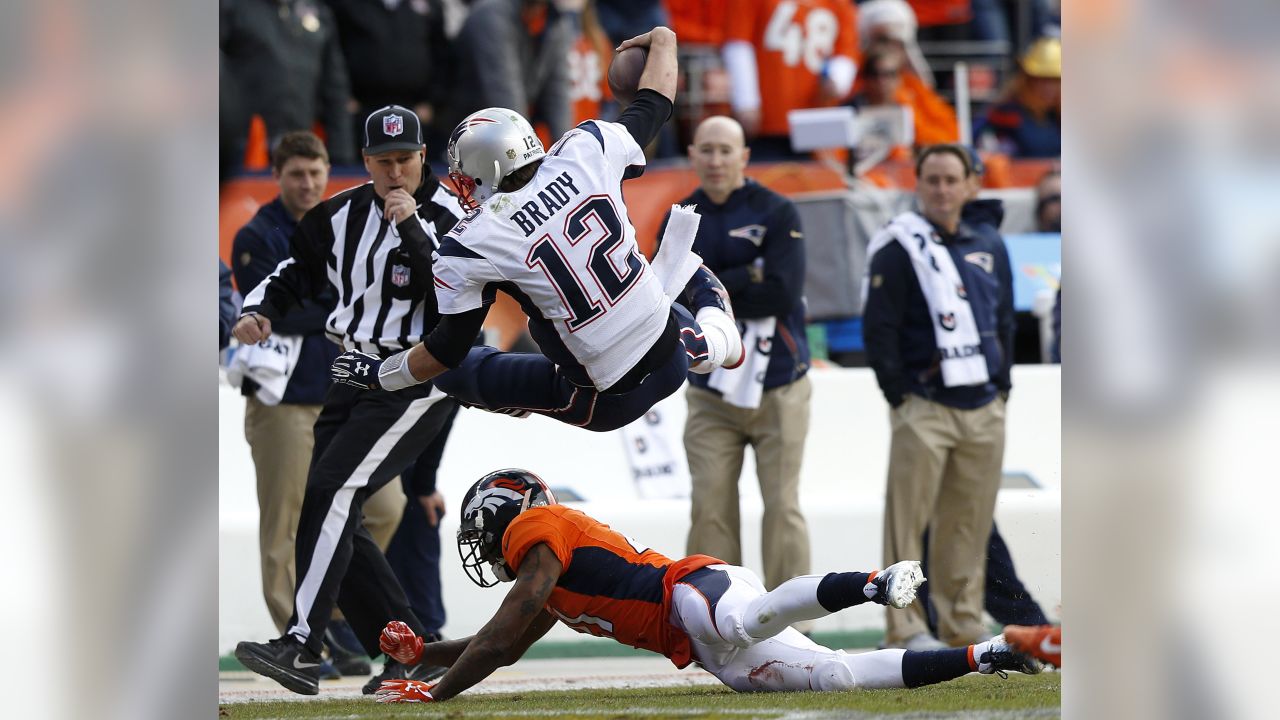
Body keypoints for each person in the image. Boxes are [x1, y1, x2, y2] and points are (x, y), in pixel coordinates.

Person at [330, 27, 745, 433]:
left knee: (459, 372)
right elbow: (654, 102)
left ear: (481, 171)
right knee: (646, 297)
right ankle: (719, 337)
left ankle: (519, 398)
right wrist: (663, 40)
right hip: (669, 354)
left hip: (604, 400)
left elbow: (445, 351)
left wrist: (380, 374)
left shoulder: (473, 239)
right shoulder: (585, 149)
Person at [365, 468, 1040, 703]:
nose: (484, 544)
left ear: (502, 514)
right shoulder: (548, 578)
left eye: (484, 528)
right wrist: (422, 654)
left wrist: (432, 692)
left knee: (737, 624)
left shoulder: (538, 529)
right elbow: (501, 645)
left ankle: (873, 582)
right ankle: (988, 654)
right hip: (695, 643)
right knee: (836, 680)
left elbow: (505, 629)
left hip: (695, 592)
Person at [232, 105, 467, 696]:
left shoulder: (453, 216)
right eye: (383, 162)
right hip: (351, 371)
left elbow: (455, 293)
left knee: (333, 490)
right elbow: (294, 268)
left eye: (405, 160)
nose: (394, 173)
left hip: (414, 373)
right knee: (332, 504)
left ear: (423, 158)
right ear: (365, 163)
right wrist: (262, 310)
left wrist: (411, 225)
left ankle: (304, 642)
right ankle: (410, 649)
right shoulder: (338, 214)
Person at [862, 144, 1015, 651]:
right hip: (924, 403)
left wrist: (1002, 388)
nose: (943, 190)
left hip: (983, 404)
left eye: (953, 179)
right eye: (933, 180)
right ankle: (904, 626)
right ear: (918, 184)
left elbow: (1004, 320)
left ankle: (962, 620)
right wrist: (900, 396)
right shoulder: (897, 247)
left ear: (971, 184)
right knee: (907, 524)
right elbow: (878, 328)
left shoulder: (989, 242)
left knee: (968, 522)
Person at [660, 116, 812, 597]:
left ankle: (794, 621)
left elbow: (784, 295)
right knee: (709, 506)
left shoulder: (778, 211)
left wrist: (716, 285)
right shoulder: (680, 219)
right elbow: (669, 297)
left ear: (745, 156)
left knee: (783, 506)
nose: (717, 160)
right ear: (692, 154)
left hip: (779, 385)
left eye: (726, 150)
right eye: (707, 149)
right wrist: (748, 274)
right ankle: (712, 614)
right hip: (710, 392)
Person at [219, 0, 356, 167]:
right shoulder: (230, 7)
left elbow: (335, 90)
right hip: (241, 151)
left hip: (300, 153)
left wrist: (341, 154)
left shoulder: (317, 12)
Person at [721, 0, 860, 158]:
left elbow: (847, 50)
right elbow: (738, 43)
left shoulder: (839, 4)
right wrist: (746, 101)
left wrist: (838, 80)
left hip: (816, 116)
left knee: (815, 177)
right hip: (768, 116)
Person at [975, 37, 1061, 158]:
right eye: (1042, 79)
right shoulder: (1006, 114)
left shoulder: (1060, 116)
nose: (1049, 88)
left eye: (1055, 80)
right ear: (1026, 80)